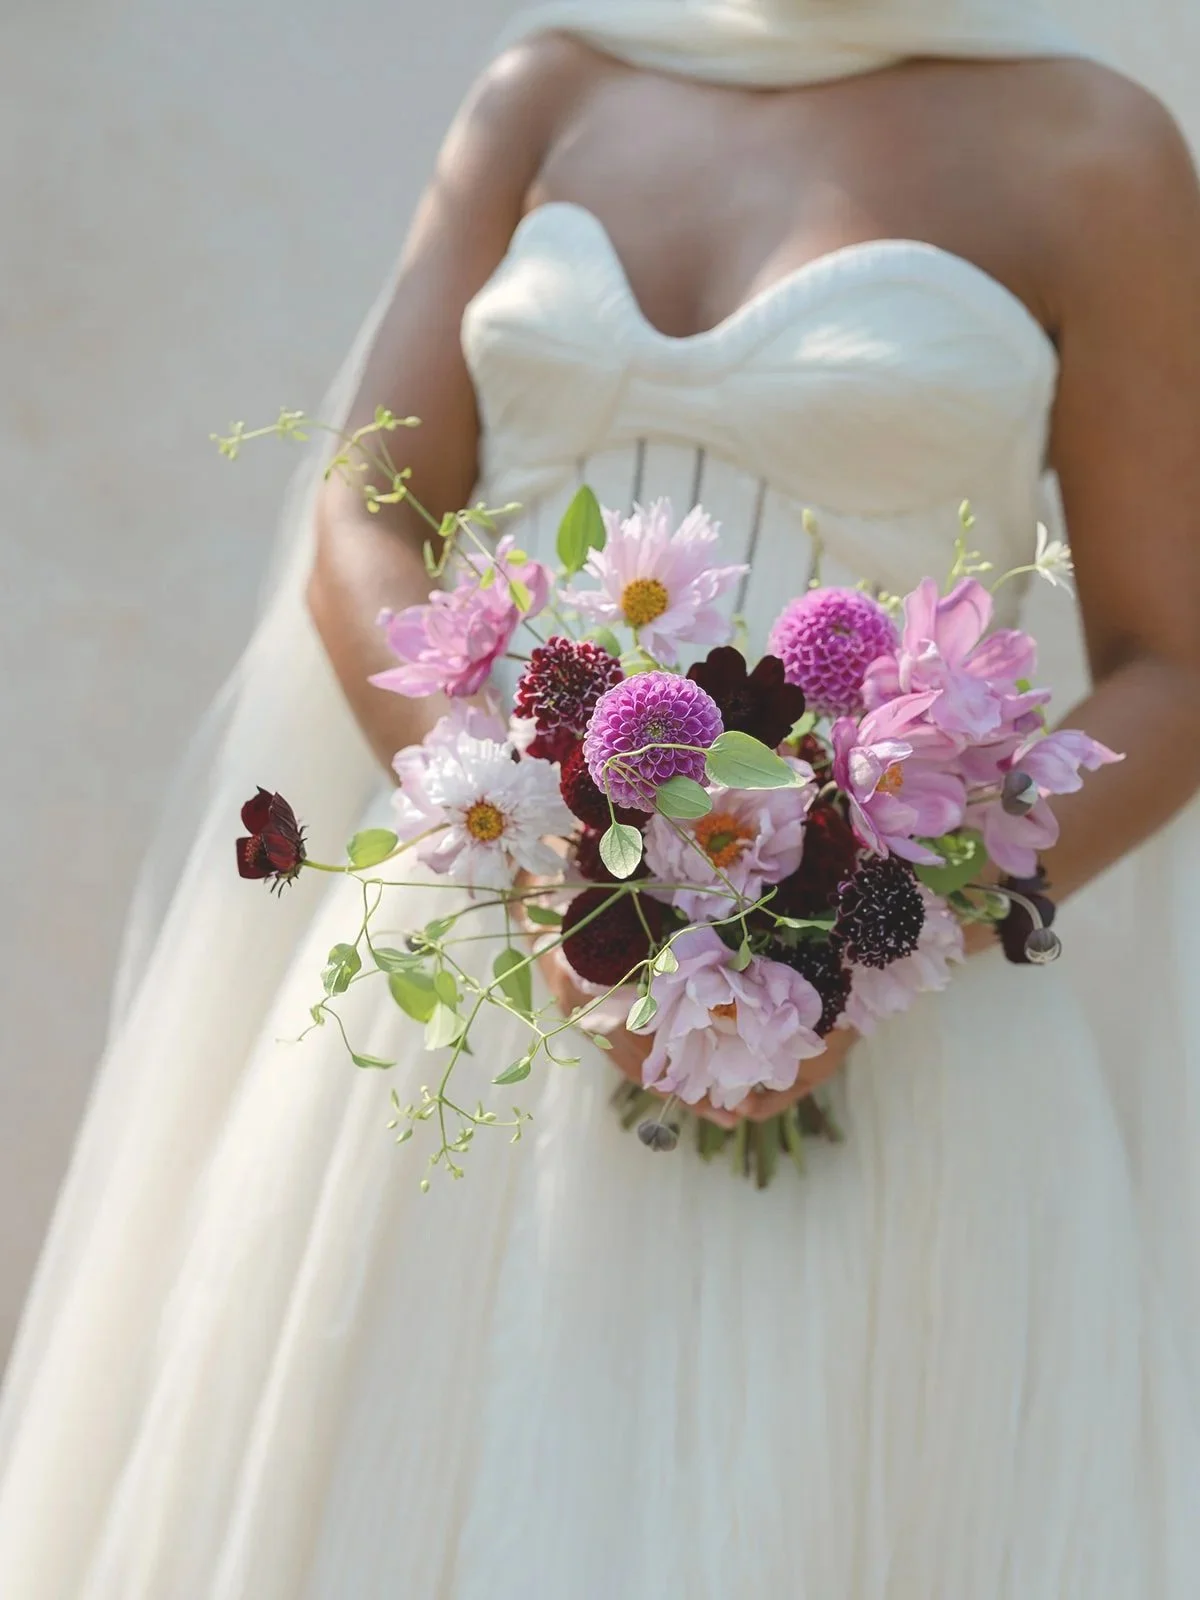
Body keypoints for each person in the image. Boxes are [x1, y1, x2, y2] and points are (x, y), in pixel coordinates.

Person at [3, 0, 1200, 1593]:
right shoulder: (549, 86)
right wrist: (540, 863)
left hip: (894, 1018)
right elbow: (369, 520)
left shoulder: (1089, 144)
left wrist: (856, 933)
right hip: (475, 968)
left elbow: (1173, 659)